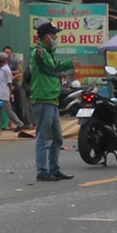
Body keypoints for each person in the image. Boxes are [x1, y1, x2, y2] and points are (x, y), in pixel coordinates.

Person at [29, 22, 72, 181]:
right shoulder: (40, 52)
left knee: (57, 138)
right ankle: (42, 170)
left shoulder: (48, 52)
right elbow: (51, 68)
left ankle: (54, 168)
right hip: (43, 98)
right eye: (54, 34)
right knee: (44, 137)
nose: (56, 37)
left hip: (51, 99)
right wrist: (69, 64)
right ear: (46, 36)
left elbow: (53, 68)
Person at [0, 51, 15, 134]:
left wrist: (10, 93)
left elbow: (9, 82)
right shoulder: (0, 69)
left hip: (4, 94)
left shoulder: (6, 69)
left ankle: (19, 124)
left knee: (8, 111)